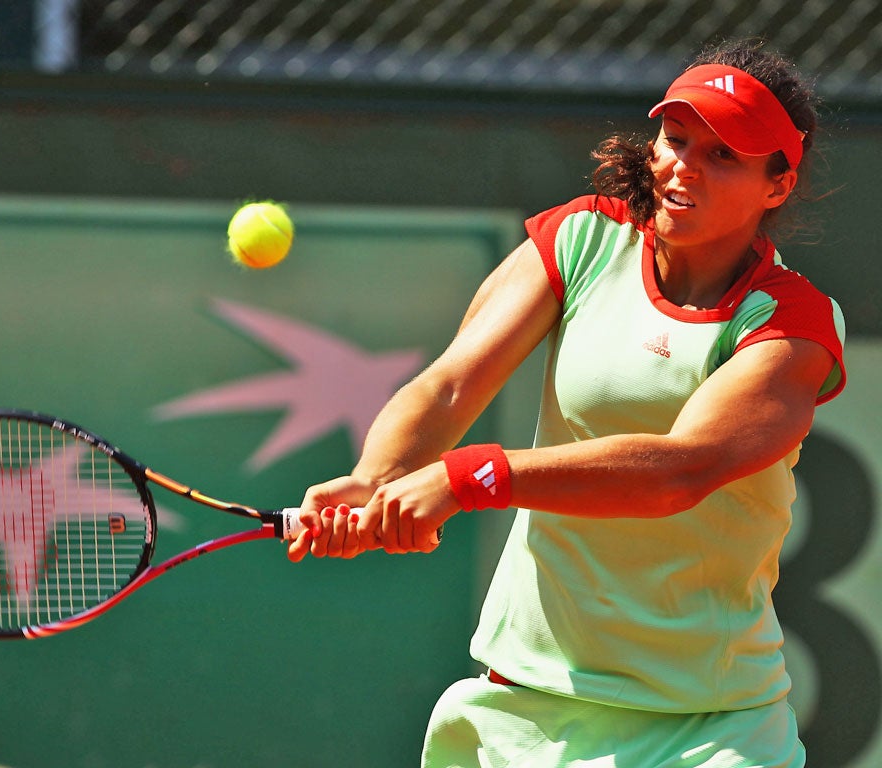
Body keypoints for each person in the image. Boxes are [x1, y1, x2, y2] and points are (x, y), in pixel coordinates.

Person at [287, 38, 846, 768]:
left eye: (725, 157)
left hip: (707, 731)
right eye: (677, 139)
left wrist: (468, 478)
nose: (685, 165)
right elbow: (453, 382)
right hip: (523, 708)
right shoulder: (583, 238)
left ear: (777, 186)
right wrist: (378, 476)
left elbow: (679, 471)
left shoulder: (791, 323)